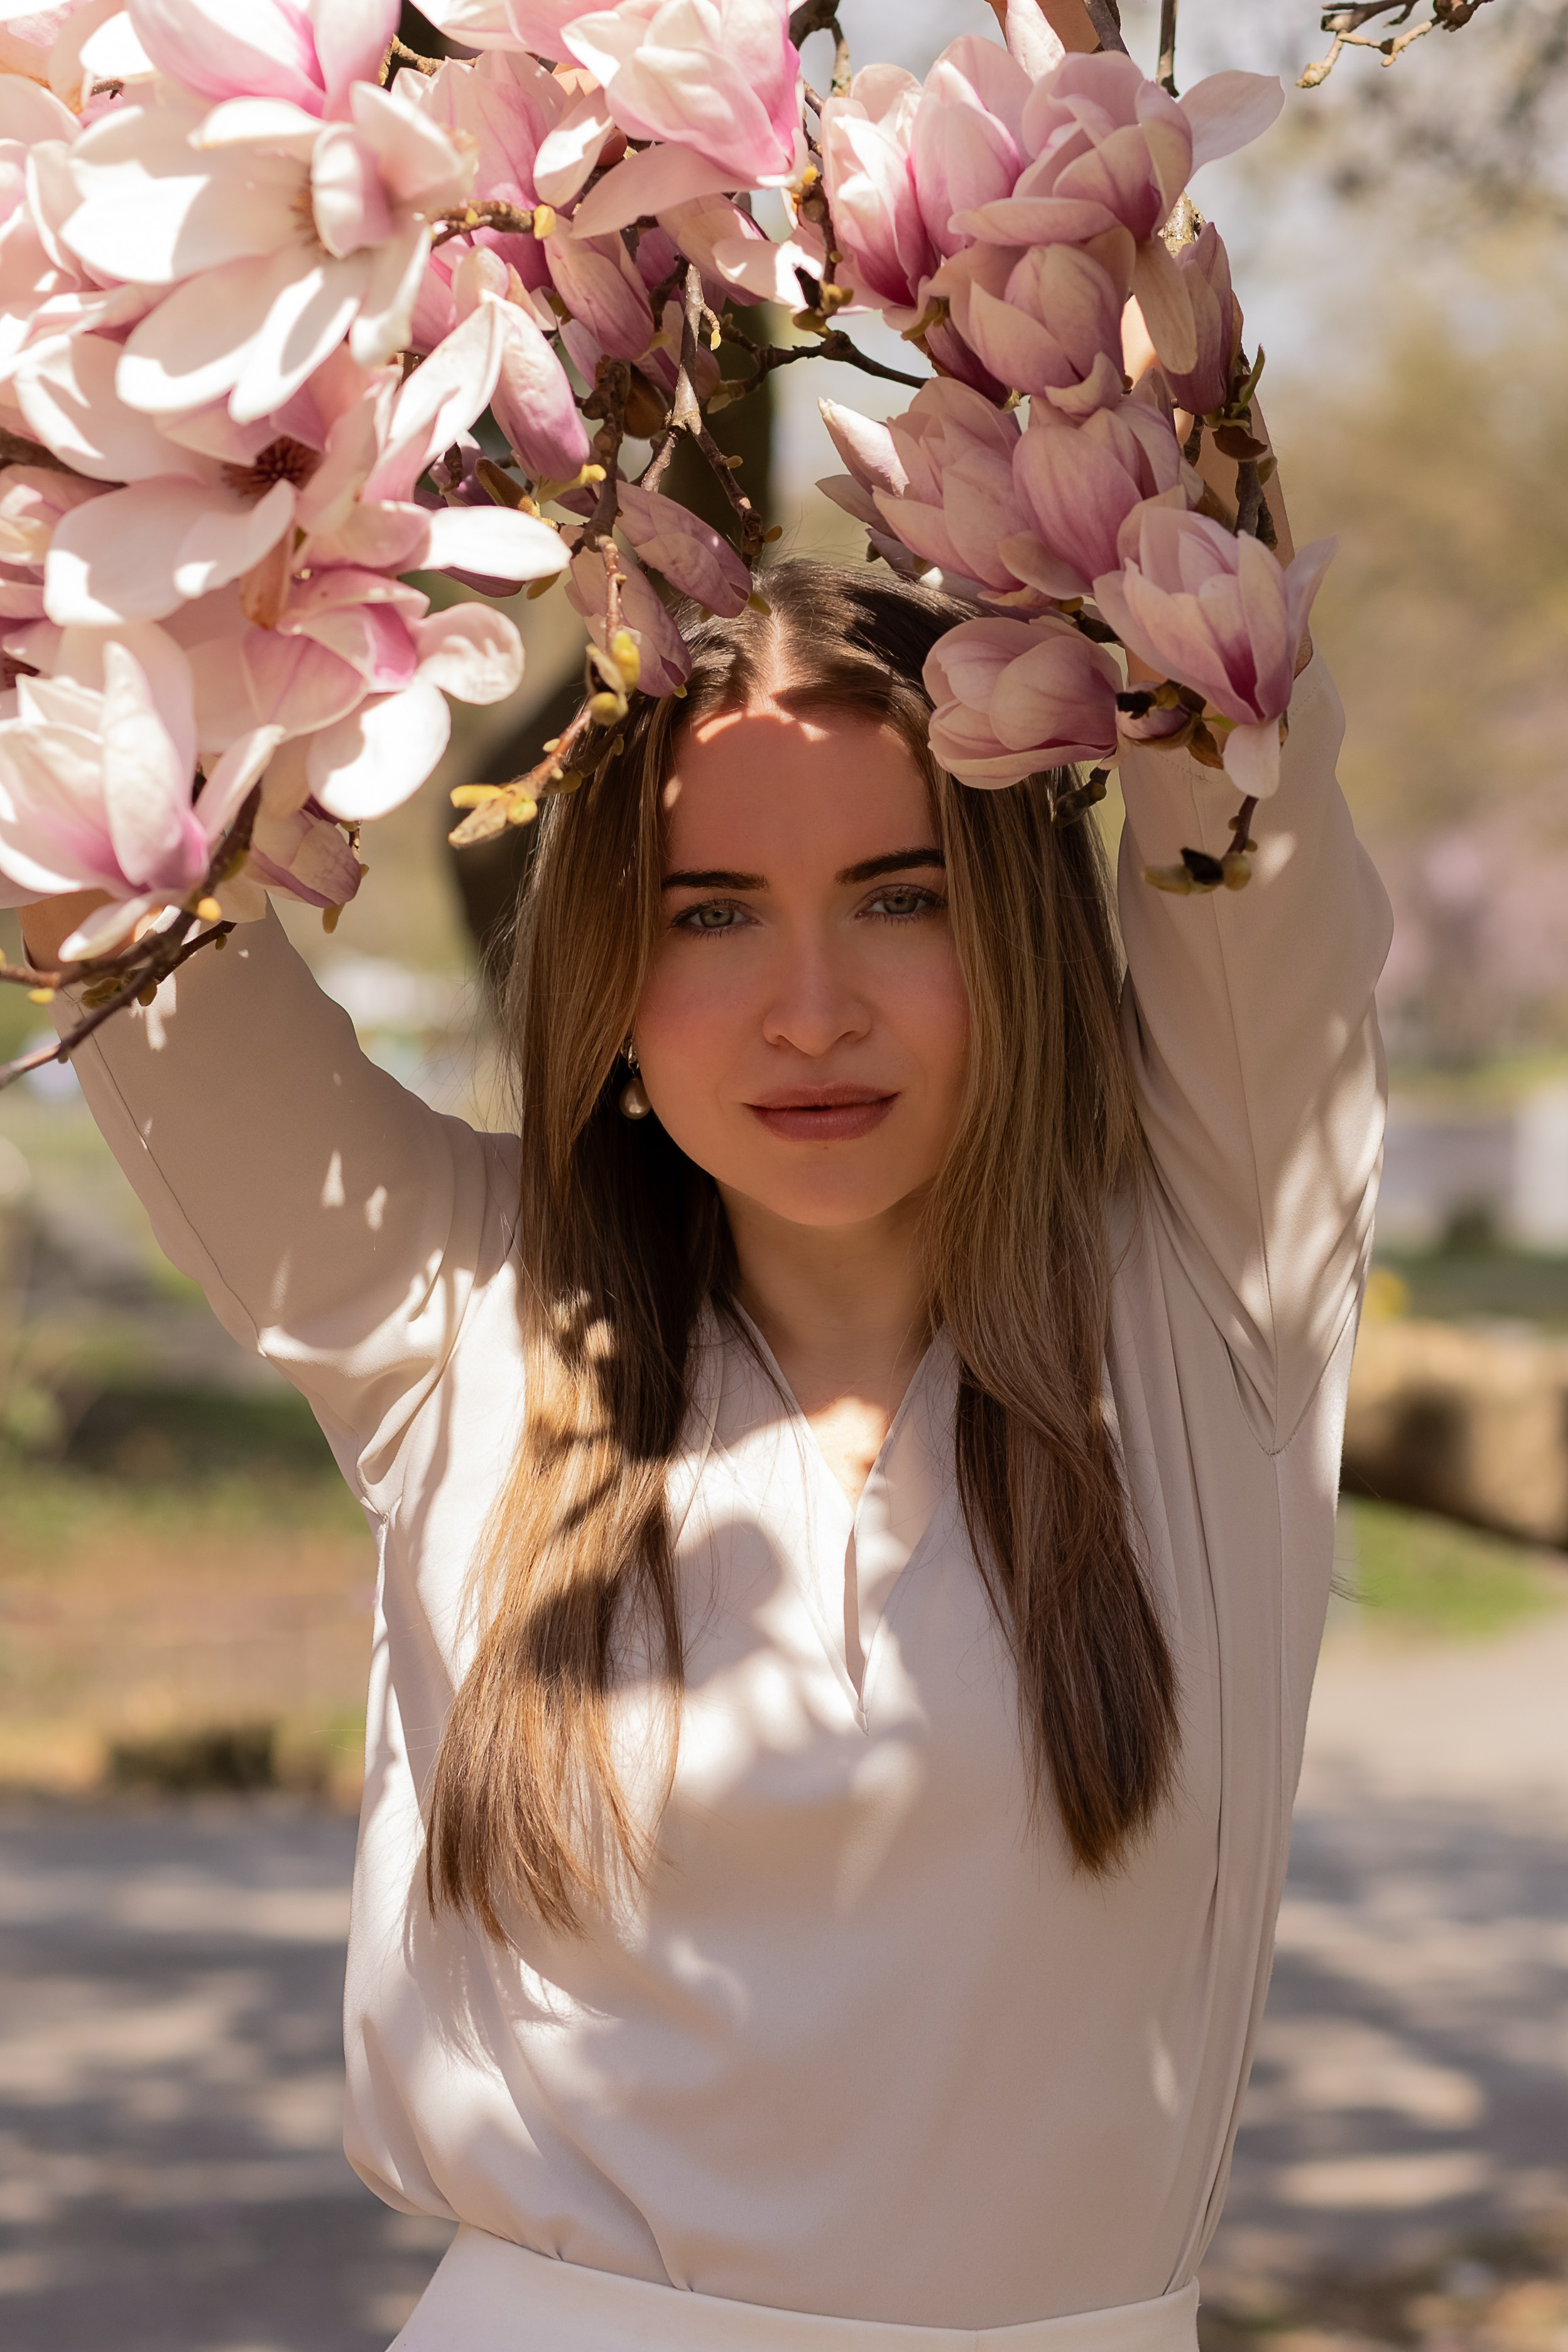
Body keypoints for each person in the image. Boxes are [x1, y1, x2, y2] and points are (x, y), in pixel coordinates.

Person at [23, 440, 1391, 2349]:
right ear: (610, 960)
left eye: (902, 898)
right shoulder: (466, 1311)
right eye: (712, 909)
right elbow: (112, 849)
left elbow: (1236, 749)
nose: (809, 1007)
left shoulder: (1207, 1299)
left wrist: (1028, 305)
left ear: (1018, 931)